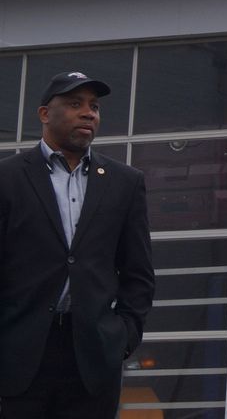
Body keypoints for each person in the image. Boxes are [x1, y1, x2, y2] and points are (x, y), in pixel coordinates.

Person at [0, 71, 155, 419]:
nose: (89, 113)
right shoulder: (7, 179)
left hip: (93, 356)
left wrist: (122, 337)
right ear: (44, 114)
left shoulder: (125, 183)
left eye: (94, 106)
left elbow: (138, 272)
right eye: (75, 104)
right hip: (18, 356)